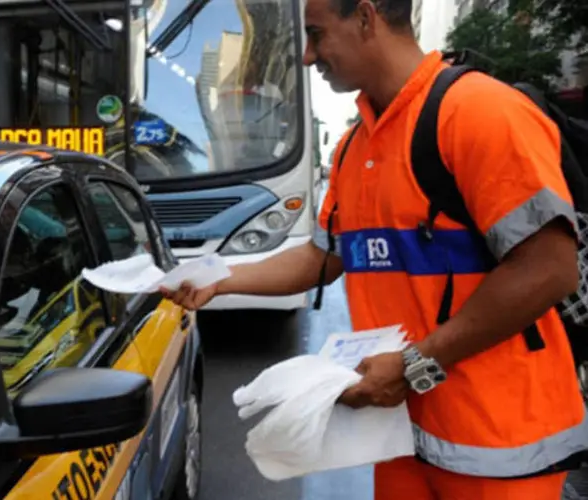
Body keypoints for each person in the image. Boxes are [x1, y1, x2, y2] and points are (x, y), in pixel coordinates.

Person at [160, 0, 588, 499]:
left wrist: (414, 365)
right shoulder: (354, 147)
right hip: (401, 437)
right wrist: (222, 278)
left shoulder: (481, 113)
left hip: (501, 447)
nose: (307, 55)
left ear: (366, 18)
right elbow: (325, 256)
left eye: (316, 34)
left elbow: (549, 269)